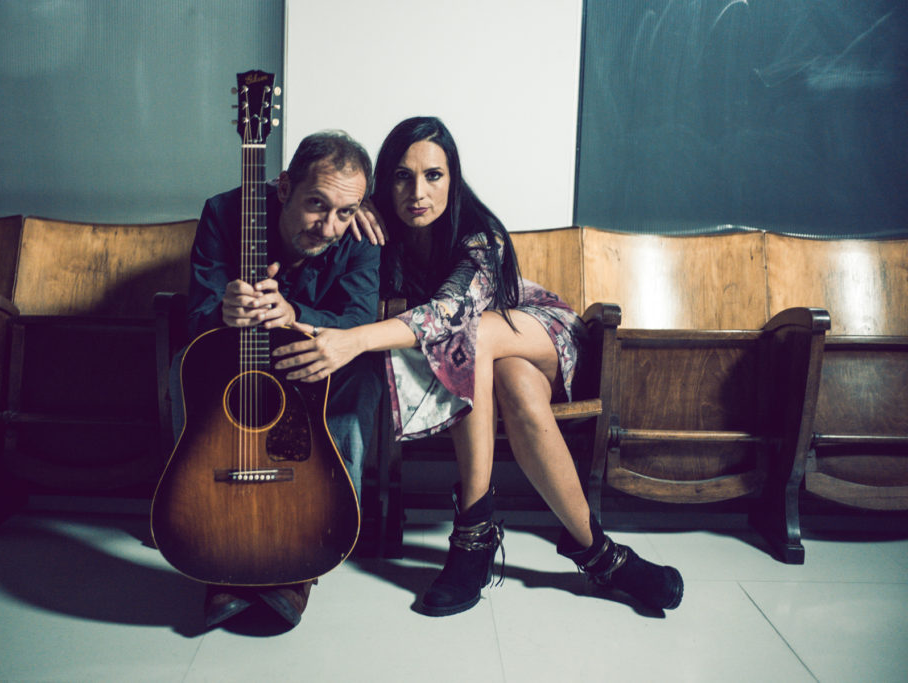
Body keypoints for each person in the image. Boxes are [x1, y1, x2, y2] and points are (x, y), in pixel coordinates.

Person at [274, 116, 683, 616]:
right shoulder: (375, 228)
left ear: (454, 178)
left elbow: (450, 315)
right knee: (512, 384)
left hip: (540, 331)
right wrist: (353, 208)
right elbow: (305, 209)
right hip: (492, 360)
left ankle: (473, 533)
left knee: (470, 336)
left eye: (433, 175)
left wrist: (354, 341)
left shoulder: (479, 235)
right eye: (402, 176)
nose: (418, 192)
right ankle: (602, 556)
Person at [175, 130, 384, 628]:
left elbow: (357, 318)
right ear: (284, 187)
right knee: (183, 365)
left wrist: (295, 315)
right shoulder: (225, 212)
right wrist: (222, 312)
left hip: (315, 371)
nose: (330, 226)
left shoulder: (358, 235)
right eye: (317, 204)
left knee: (363, 379)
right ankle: (215, 534)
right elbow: (198, 312)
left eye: (345, 211)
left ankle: (309, 551)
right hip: (236, 369)